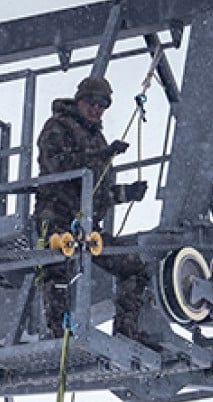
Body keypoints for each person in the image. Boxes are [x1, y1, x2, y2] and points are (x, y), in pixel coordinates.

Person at [35, 76, 152, 343]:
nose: (96, 109)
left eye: (103, 105)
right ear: (79, 100)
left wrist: (126, 193)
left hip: (87, 228)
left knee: (134, 268)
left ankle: (126, 332)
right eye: (92, 102)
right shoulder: (58, 126)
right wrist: (102, 155)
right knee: (57, 269)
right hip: (56, 217)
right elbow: (57, 165)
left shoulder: (97, 139)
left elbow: (96, 192)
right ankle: (60, 334)